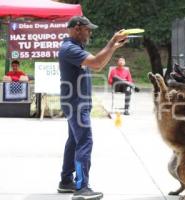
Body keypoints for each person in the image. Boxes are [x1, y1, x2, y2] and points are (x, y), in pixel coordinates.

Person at [57, 16, 127, 200]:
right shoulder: (70, 49)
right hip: (77, 104)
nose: (90, 33)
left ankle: (66, 181)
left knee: (74, 141)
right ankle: (81, 188)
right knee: (84, 142)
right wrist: (111, 41)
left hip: (75, 103)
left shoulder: (75, 48)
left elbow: (99, 64)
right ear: (78, 28)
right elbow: (96, 63)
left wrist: (112, 47)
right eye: (88, 29)